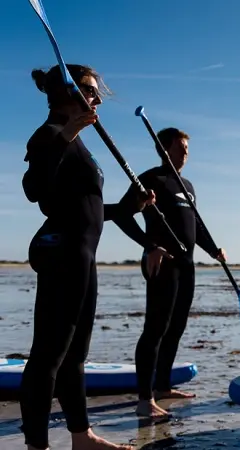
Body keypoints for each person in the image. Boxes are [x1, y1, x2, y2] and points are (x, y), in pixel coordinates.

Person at [20, 63, 156, 450]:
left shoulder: (78, 142)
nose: (97, 98)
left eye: (96, 92)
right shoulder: (48, 134)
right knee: (47, 355)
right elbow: (35, 190)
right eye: (89, 90)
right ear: (66, 91)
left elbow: (89, 207)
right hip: (61, 250)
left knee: (75, 355)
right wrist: (67, 132)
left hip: (83, 254)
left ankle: (82, 437)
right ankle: (37, 446)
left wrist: (132, 205)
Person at [112, 127, 226, 419]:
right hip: (161, 263)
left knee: (176, 328)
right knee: (155, 329)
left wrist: (213, 250)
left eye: (187, 147)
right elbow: (123, 214)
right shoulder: (151, 179)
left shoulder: (187, 184)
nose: (186, 152)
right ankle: (144, 398)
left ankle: (162, 387)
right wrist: (149, 246)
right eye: (181, 147)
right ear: (164, 149)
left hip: (186, 265)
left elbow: (196, 225)